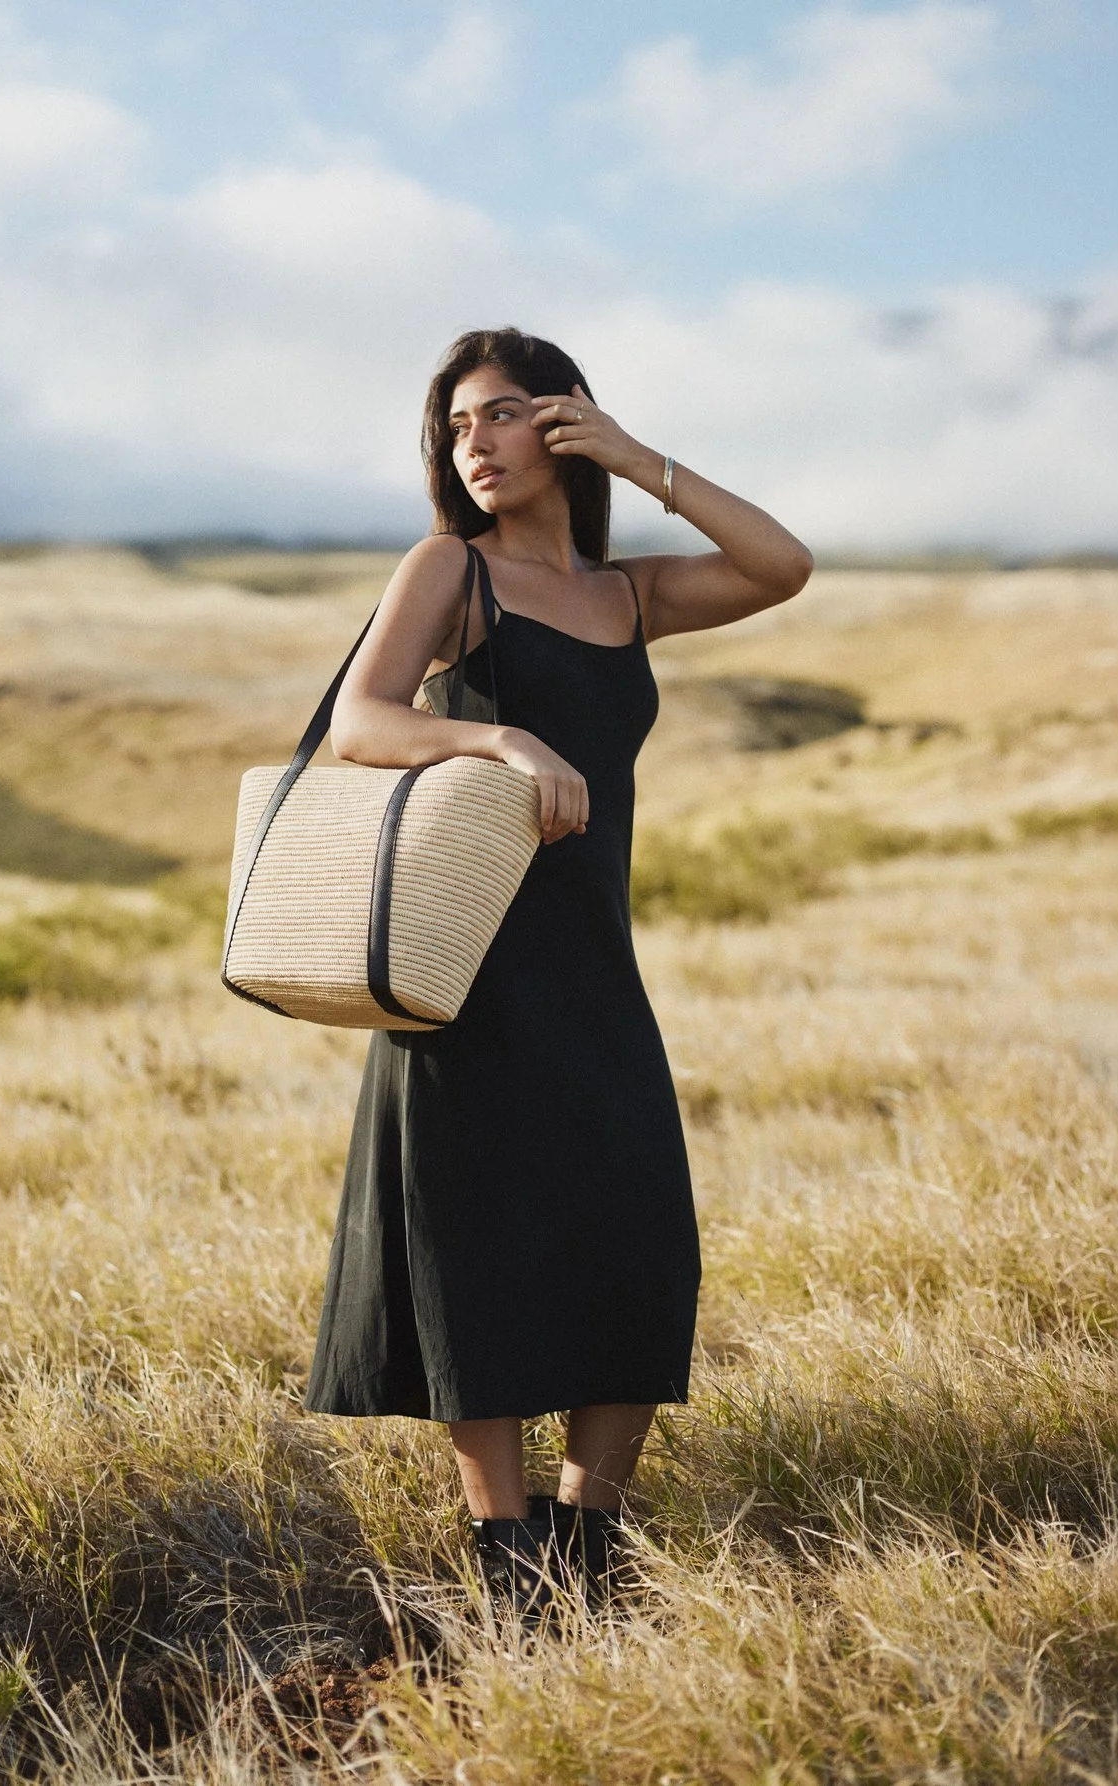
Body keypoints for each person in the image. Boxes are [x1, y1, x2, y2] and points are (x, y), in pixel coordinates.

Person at [304, 326, 812, 1611]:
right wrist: (503, 740)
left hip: (589, 968)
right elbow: (358, 720)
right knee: (474, 1251)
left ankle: (588, 1540)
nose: (474, 444)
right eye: (457, 426)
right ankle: (507, 1556)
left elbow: (782, 564)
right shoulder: (447, 570)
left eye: (504, 416)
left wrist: (642, 462)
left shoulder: (625, 594)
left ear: (564, 425)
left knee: (633, 1236)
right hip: (460, 965)